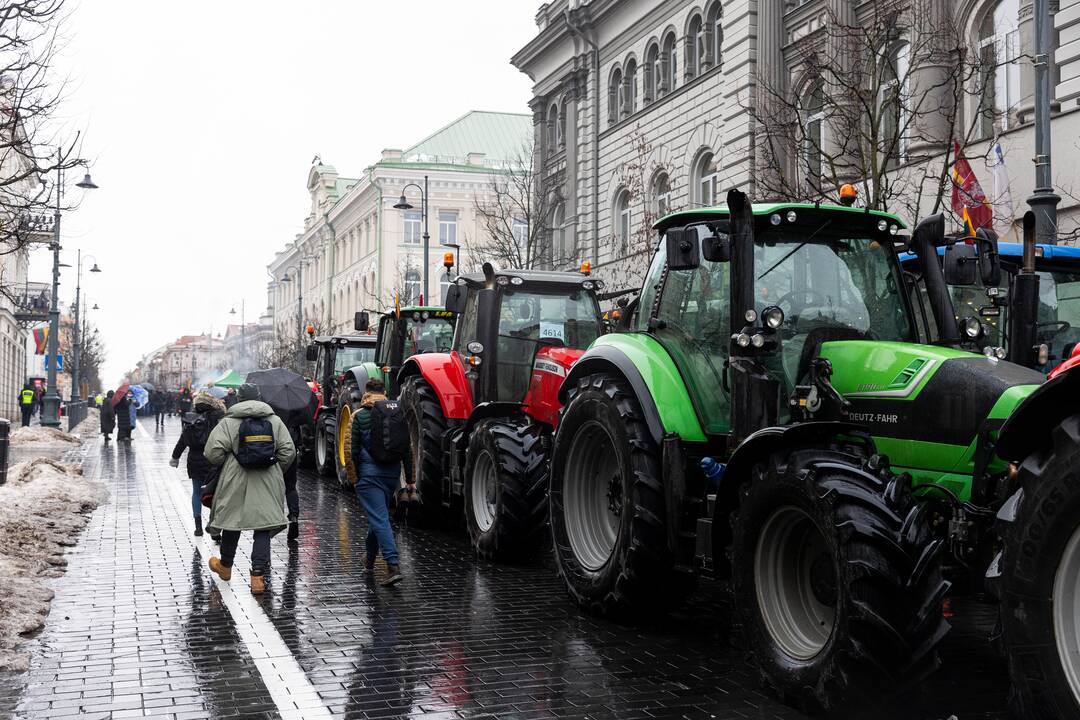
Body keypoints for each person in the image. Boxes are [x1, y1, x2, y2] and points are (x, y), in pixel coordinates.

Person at [204, 383, 295, 594]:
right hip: (268, 478)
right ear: (260, 397)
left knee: (231, 523)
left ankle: (225, 567)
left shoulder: (228, 422)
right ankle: (258, 578)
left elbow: (212, 453)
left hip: (234, 479)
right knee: (263, 527)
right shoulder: (275, 421)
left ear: (239, 398)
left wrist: (228, 462)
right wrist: (273, 468)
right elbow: (288, 451)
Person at [350, 378, 408, 586]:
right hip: (391, 476)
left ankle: (393, 565)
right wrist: (409, 480)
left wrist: (354, 476)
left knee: (380, 519)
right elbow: (406, 450)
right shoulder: (396, 415)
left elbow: (352, 451)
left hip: (369, 477)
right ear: (384, 392)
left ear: (366, 392)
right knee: (378, 516)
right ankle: (370, 559)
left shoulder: (360, 416)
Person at [170, 391, 226, 537]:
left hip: (194, 460)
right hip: (212, 459)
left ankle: (198, 527)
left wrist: (175, 457)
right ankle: (213, 526)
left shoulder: (190, 418)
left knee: (196, 492)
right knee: (215, 492)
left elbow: (183, 439)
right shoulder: (217, 416)